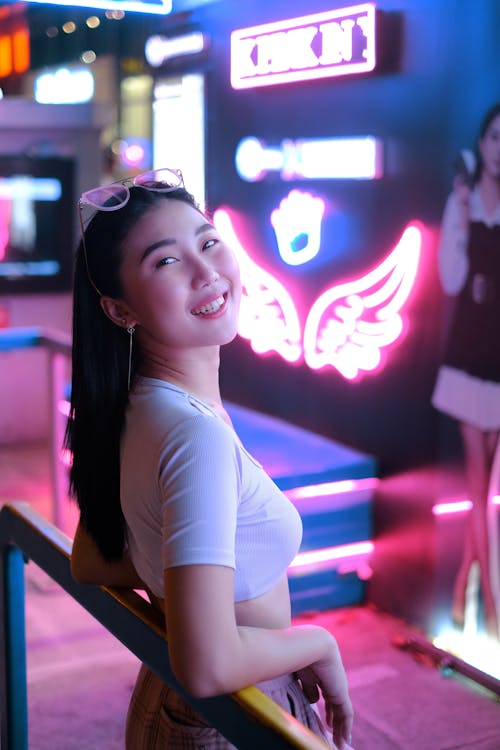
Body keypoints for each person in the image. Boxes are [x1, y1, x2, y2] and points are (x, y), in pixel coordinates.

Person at [66, 167, 354, 749]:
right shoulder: (192, 436)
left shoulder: (136, 403)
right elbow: (206, 663)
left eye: (209, 242)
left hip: (184, 703)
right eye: (166, 262)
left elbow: (91, 561)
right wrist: (317, 642)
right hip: (228, 714)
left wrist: (183, 583)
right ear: (120, 310)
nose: (207, 272)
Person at [432, 103, 500, 641]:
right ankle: (492, 610)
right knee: (480, 490)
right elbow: (451, 279)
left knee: (487, 490)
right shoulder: (465, 199)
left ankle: (462, 593)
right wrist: (457, 214)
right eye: (495, 136)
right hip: (470, 354)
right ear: (482, 143)